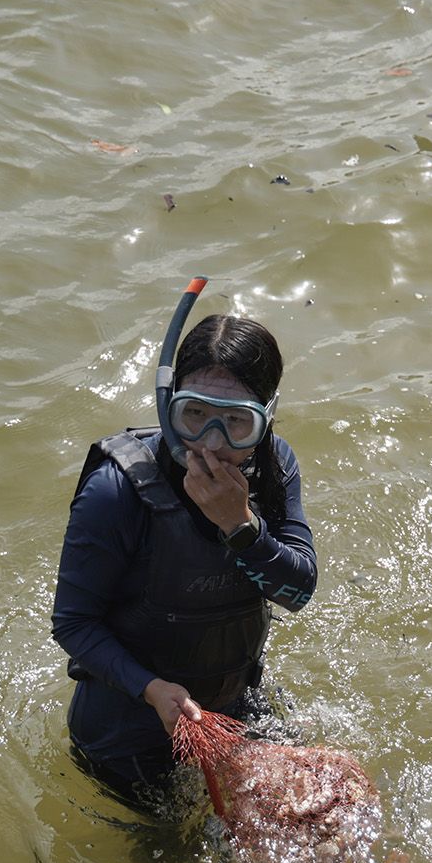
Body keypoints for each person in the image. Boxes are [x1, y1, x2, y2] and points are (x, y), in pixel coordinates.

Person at [52, 309, 317, 815]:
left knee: (316, 826)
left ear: (267, 416)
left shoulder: (273, 466)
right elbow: (72, 622)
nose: (212, 444)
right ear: (168, 402)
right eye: (195, 413)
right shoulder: (116, 491)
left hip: (233, 707)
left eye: (237, 420)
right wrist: (150, 689)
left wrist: (240, 526)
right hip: (127, 731)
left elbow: (297, 593)